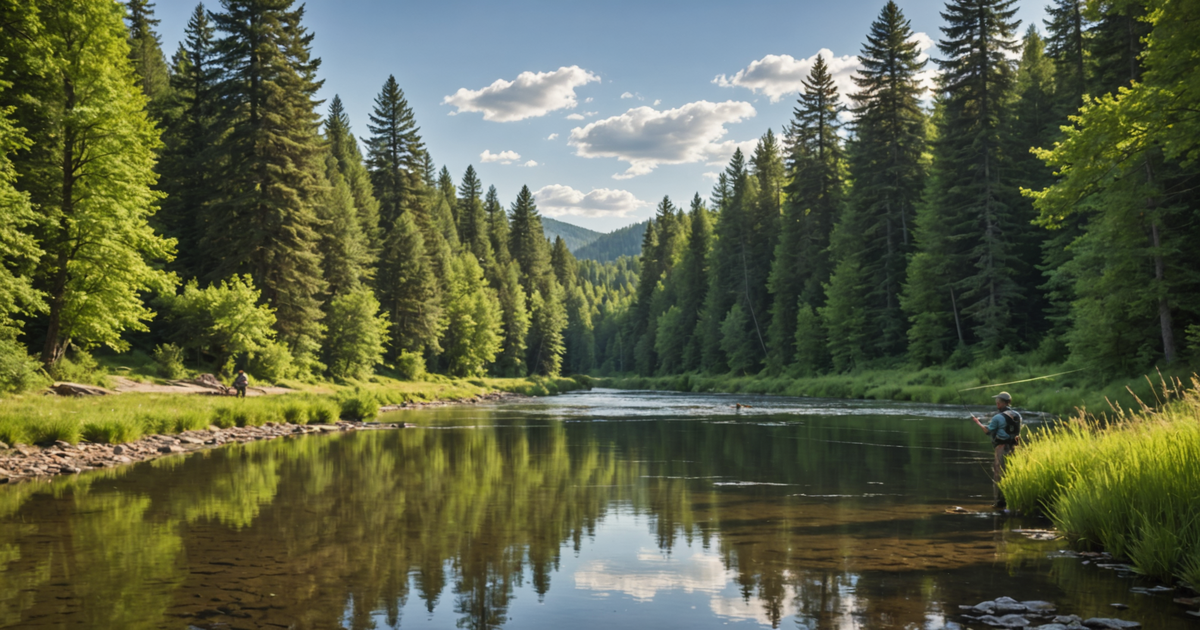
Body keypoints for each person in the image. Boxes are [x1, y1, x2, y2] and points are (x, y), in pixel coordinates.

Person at [971, 391, 1021, 509]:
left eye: (997, 402)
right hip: (1015, 447)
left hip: (1001, 448)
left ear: (999, 404)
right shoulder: (1018, 415)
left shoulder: (998, 417)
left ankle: (999, 502)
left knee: (999, 474)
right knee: (1012, 473)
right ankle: (1012, 500)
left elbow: (988, 431)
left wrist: (978, 423)